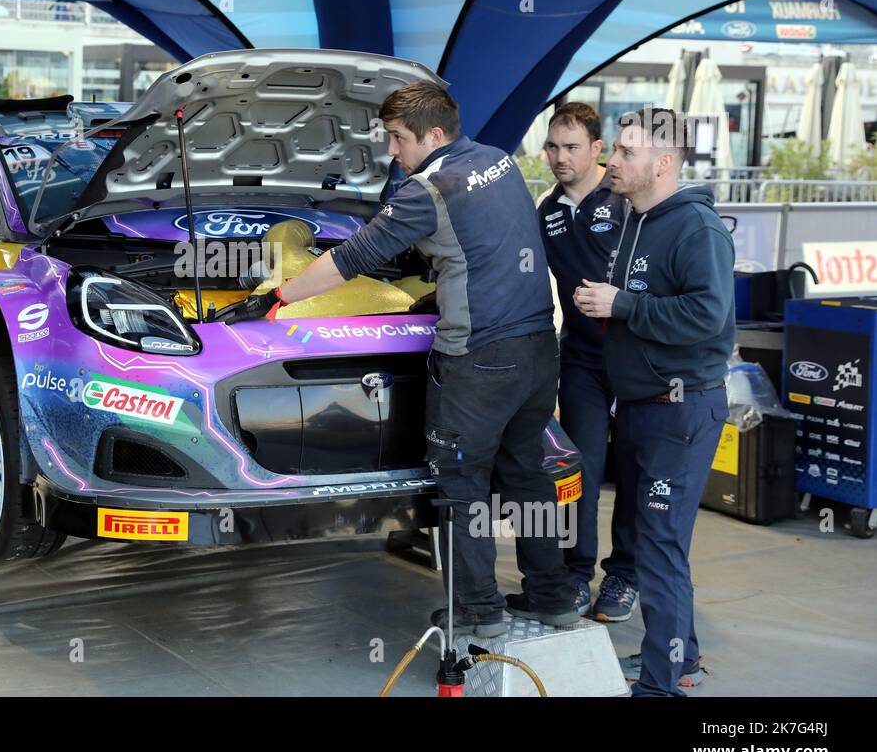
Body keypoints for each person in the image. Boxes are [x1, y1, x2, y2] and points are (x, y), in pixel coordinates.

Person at [228, 80, 578, 635]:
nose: (392, 151)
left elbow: (354, 257)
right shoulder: (498, 161)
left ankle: (479, 613)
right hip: (537, 348)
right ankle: (553, 597)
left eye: (397, 139)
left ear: (433, 134)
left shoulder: (427, 190)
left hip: (479, 357)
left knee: (462, 484)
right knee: (525, 472)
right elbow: (488, 241)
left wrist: (275, 298)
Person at [573, 107, 734, 696]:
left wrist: (623, 306)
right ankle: (680, 658)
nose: (610, 160)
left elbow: (708, 315)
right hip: (641, 406)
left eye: (626, 152)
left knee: (660, 547)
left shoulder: (696, 227)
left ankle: (660, 686)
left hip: (681, 410)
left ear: (664, 162)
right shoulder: (632, 219)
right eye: (613, 149)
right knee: (651, 539)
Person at [536, 102, 638, 622]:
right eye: (552, 146)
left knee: (639, 473)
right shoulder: (547, 211)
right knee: (581, 470)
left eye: (572, 147)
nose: (559, 157)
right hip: (579, 358)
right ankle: (576, 575)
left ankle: (624, 576)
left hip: (639, 357)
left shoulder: (627, 200)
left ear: (597, 148)